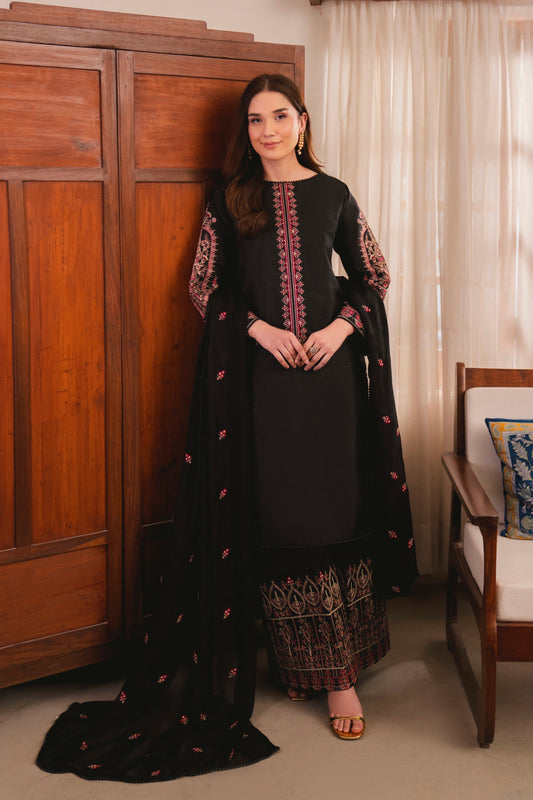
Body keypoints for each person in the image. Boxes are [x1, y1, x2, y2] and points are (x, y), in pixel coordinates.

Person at [36, 74, 416, 783]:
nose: (267, 130)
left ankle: (340, 674)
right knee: (283, 515)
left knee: (336, 511)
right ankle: (304, 664)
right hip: (260, 383)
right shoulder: (228, 198)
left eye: (279, 116)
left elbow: (375, 274)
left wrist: (341, 328)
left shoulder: (334, 194)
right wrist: (260, 330)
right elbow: (203, 286)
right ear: (245, 131)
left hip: (331, 382)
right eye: (254, 120)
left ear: (302, 121)